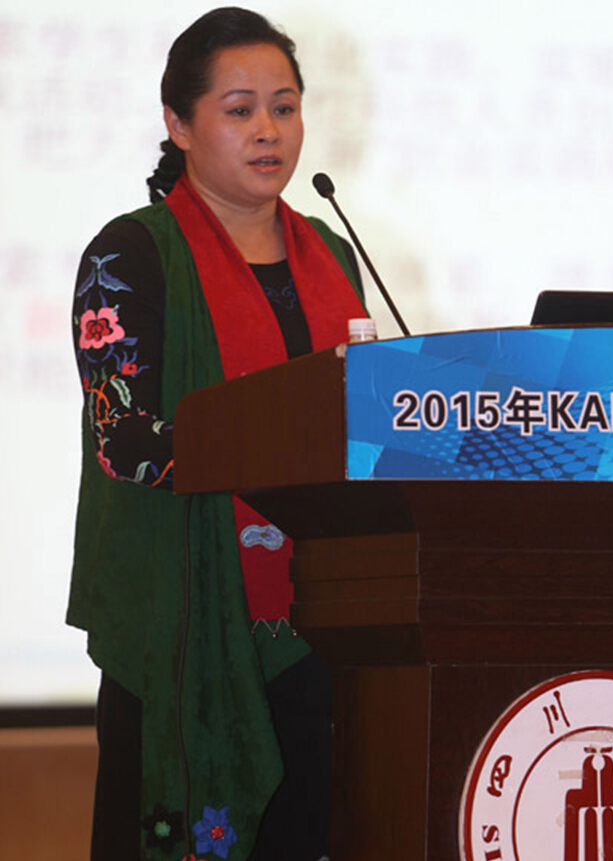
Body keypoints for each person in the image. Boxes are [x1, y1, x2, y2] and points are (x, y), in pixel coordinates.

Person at [69, 8, 368, 860]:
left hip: (332, 622)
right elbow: (124, 436)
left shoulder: (332, 254)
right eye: (240, 110)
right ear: (178, 123)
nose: (269, 130)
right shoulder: (131, 255)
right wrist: (286, 458)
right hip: (183, 622)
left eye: (285, 107)